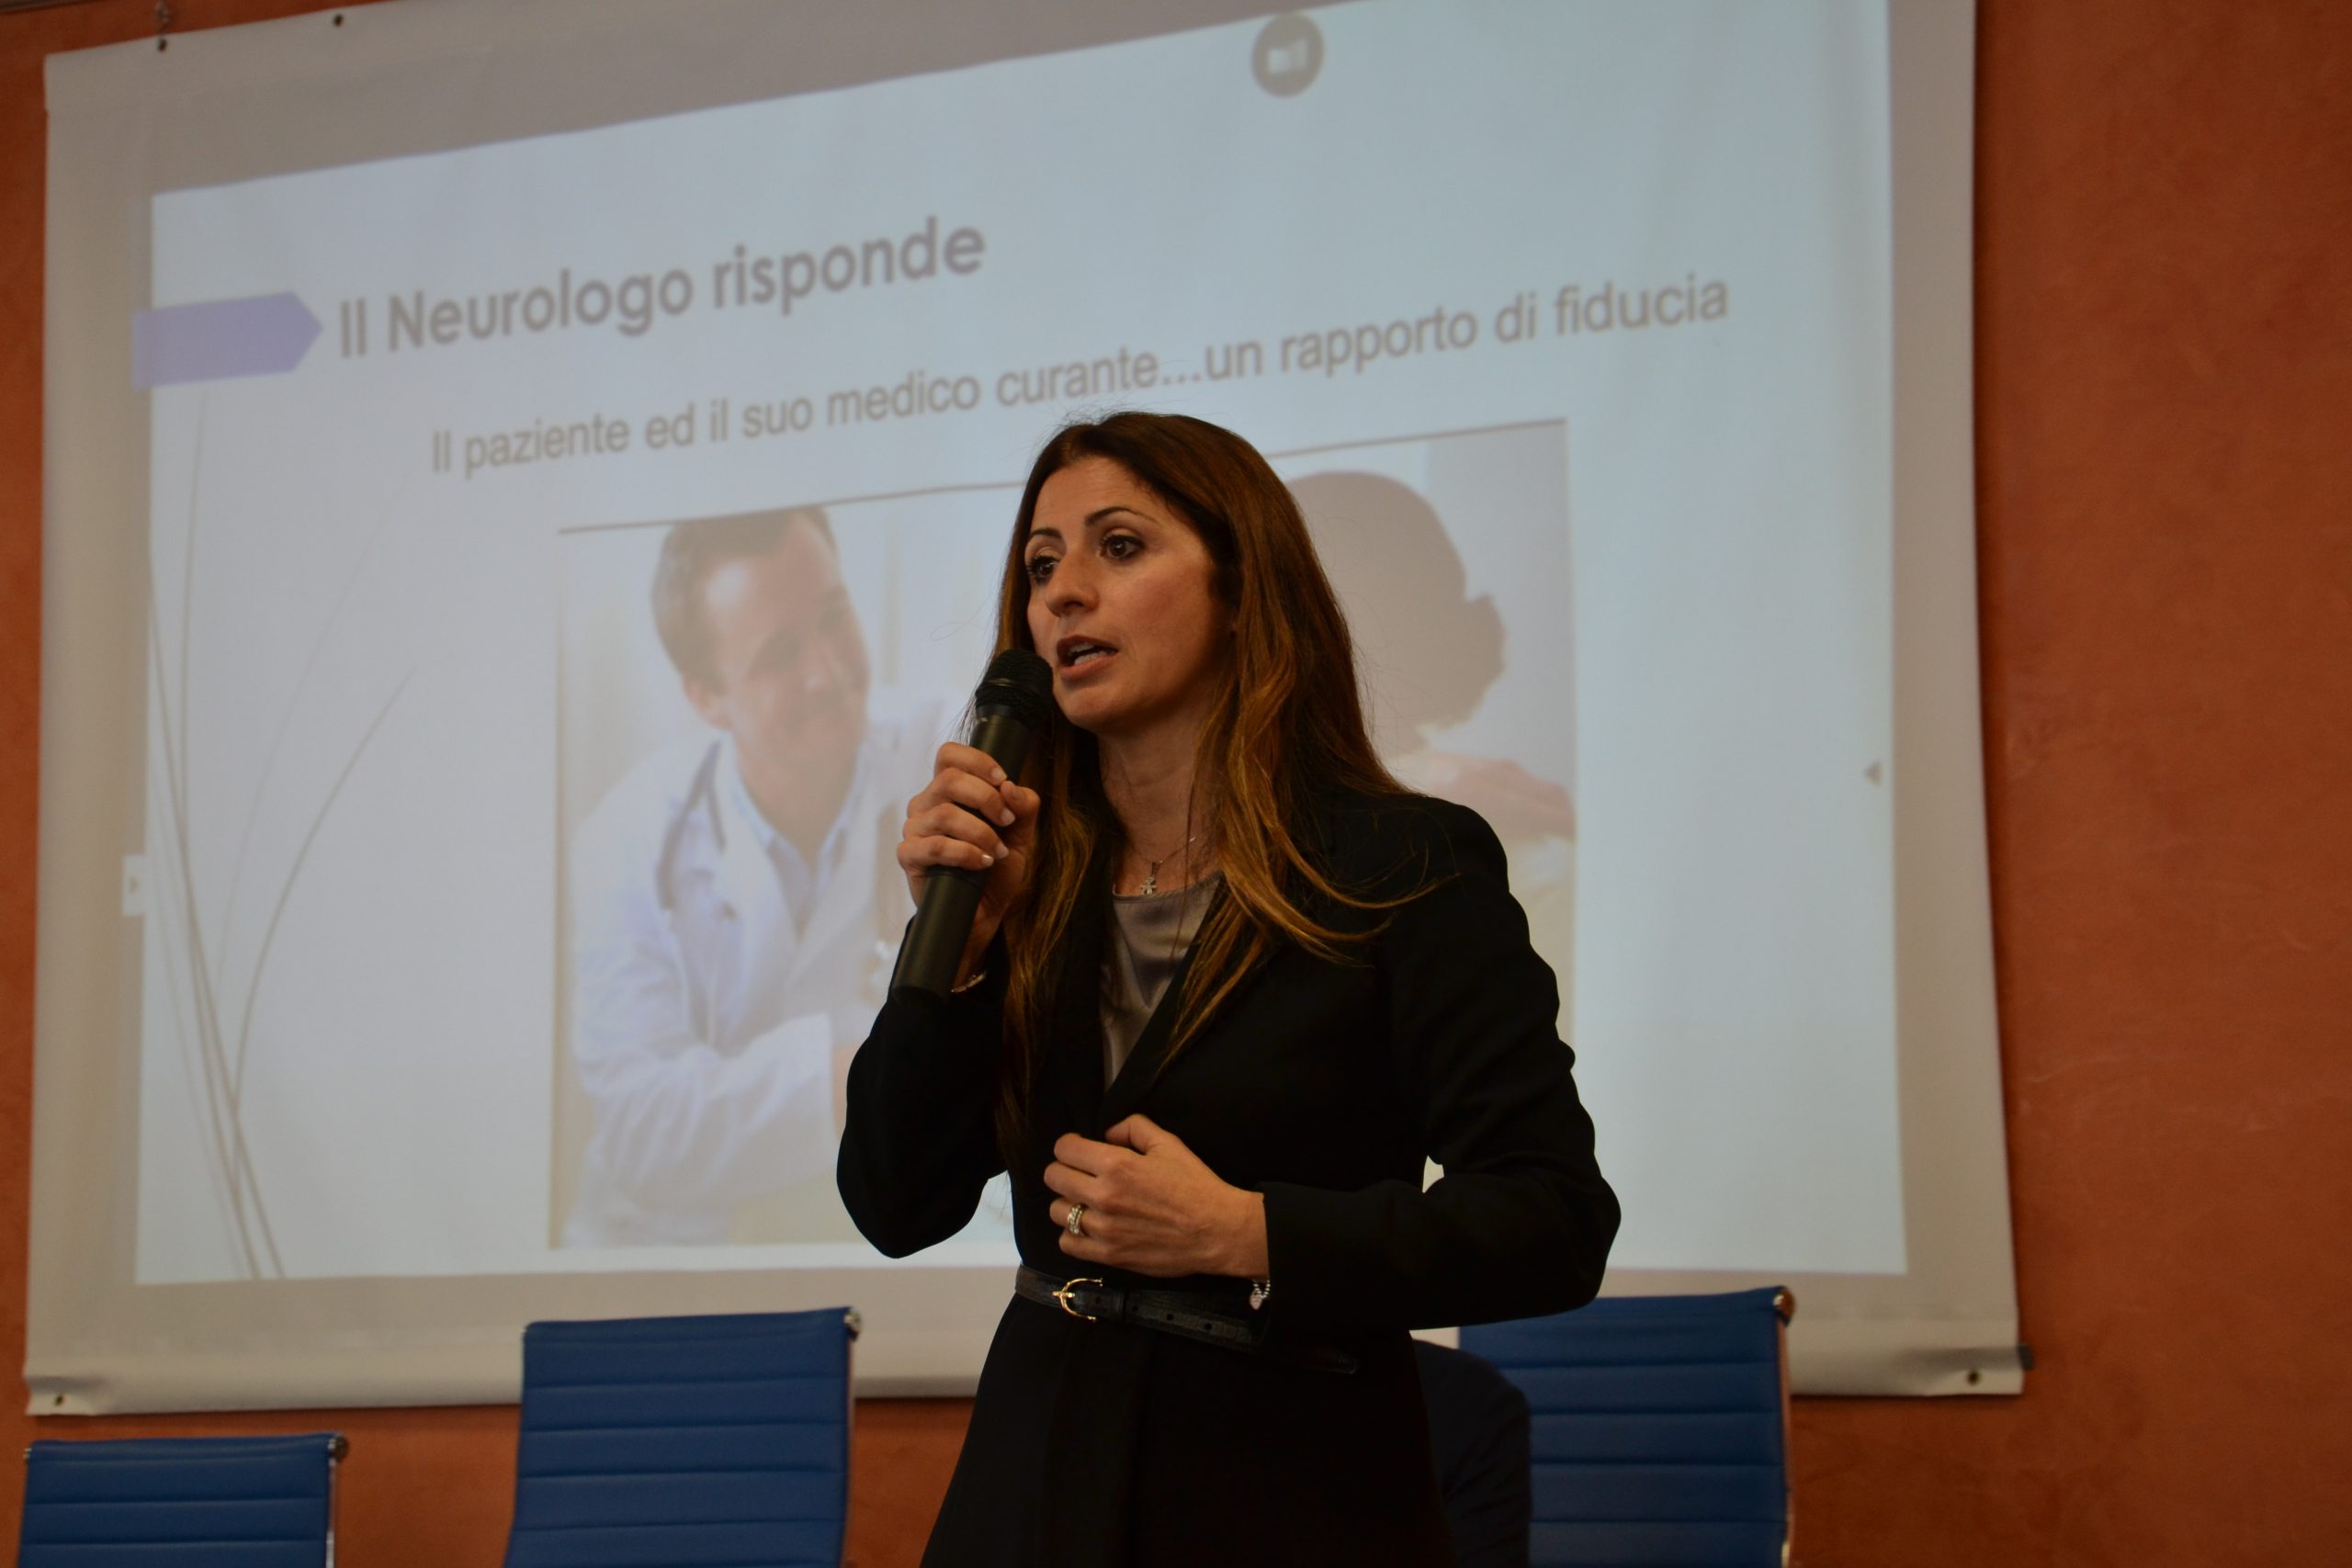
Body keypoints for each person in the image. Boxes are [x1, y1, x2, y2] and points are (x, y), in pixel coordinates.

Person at [838, 413, 1618, 1566]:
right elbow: (896, 1206)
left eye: (1118, 547)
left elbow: (1553, 1220)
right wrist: (958, 952)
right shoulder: (1027, 883)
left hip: (1290, 1497)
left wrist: (1247, 1233)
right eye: (1041, 566)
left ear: (1244, 591)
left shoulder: (1402, 866)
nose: (1062, 593)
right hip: (1034, 1490)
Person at [565, 505, 938, 1247]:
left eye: (834, 617)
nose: (828, 671)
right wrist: (867, 1072)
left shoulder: (940, 754)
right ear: (706, 697)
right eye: (778, 654)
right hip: (664, 1260)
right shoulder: (630, 836)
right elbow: (643, 1126)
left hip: (877, 1246)